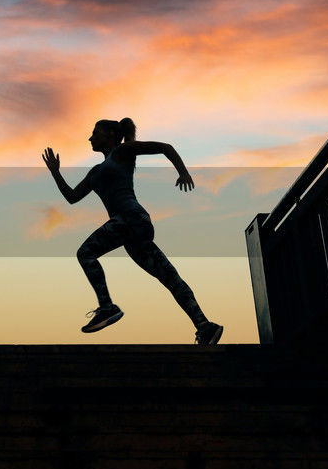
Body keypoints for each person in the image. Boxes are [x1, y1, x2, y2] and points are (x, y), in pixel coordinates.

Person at [42, 118, 223, 344]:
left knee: (85, 253)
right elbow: (72, 197)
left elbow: (165, 148)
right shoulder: (96, 171)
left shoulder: (123, 151)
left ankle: (107, 307)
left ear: (109, 134)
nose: (90, 138)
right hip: (131, 230)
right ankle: (205, 326)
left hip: (130, 219)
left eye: (95, 133)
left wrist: (183, 172)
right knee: (169, 277)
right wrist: (55, 172)